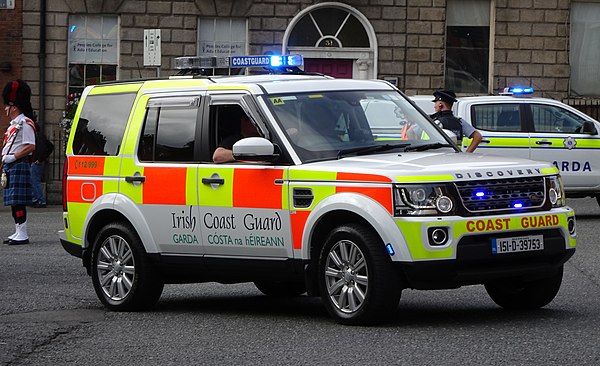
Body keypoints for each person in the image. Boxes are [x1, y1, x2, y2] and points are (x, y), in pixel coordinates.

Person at [2, 79, 37, 245]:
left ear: (14, 106)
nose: (5, 109)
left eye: (7, 106)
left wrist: (14, 157)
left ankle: (23, 233)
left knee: (18, 201)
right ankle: (18, 231)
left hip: (18, 164)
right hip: (11, 165)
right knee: (13, 202)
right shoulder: (14, 125)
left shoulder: (25, 123)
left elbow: (30, 146)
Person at [30, 121, 54, 208]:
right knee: (34, 181)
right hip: (38, 162)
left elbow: (43, 149)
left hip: (36, 162)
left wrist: (39, 159)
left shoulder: (37, 137)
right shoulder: (41, 136)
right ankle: (36, 199)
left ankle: (40, 200)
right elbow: (51, 146)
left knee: (35, 182)